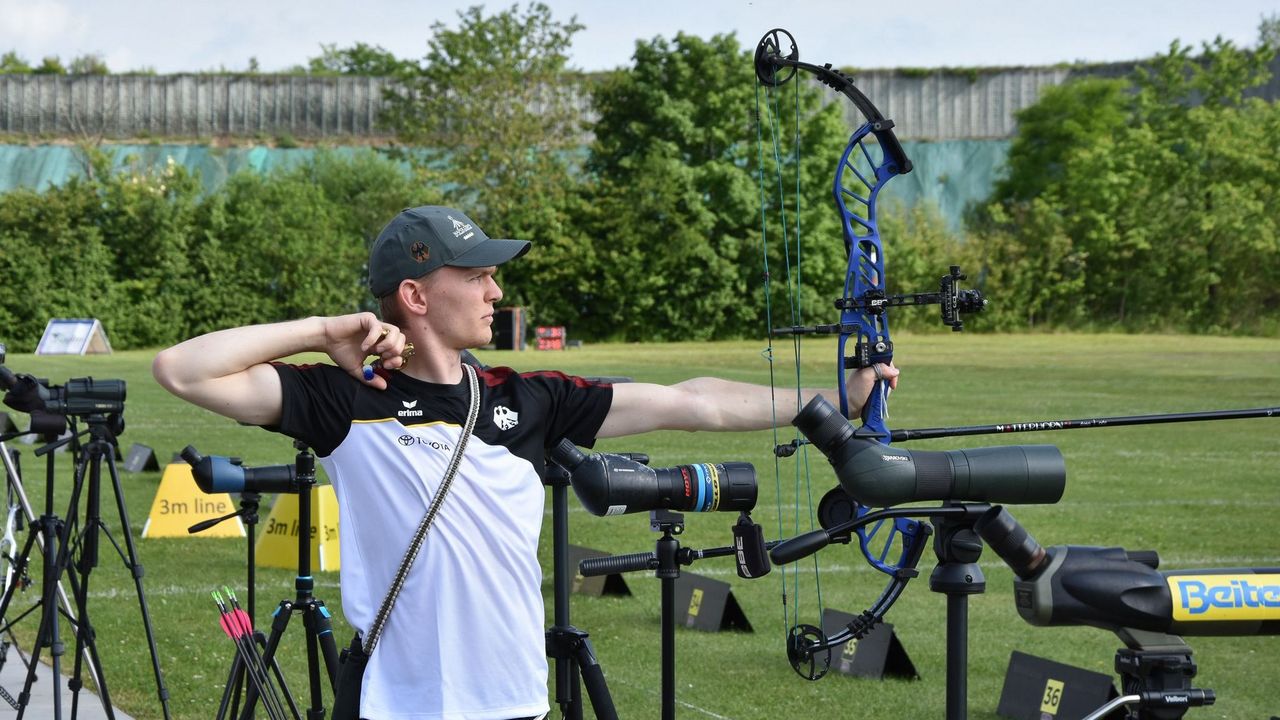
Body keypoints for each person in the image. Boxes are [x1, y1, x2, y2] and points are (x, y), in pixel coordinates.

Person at [152, 205, 897, 720]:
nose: (495, 289)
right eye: (474, 275)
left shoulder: (530, 399)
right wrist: (321, 330)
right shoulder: (345, 398)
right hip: (402, 704)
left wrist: (828, 397)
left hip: (517, 697)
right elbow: (182, 371)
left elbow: (688, 401)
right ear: (414, 294)